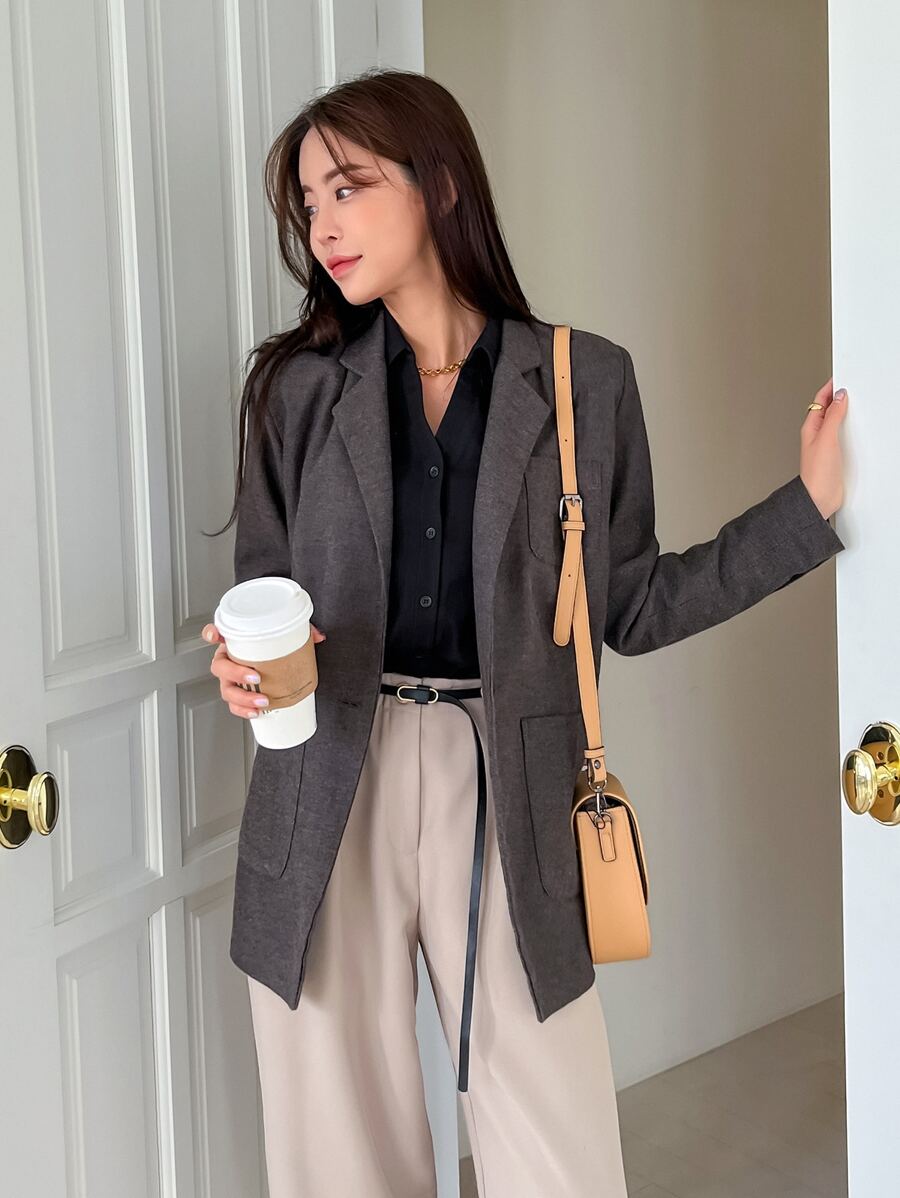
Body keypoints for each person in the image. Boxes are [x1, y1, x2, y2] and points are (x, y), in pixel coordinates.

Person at [200, 68, 848, 1198]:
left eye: (350, 187)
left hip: (507, 770)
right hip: (327, 770)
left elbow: (633, 603)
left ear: (441, 184)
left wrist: (807, 511)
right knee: (336, 1146)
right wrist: (239, 669)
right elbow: (262, 594)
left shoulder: (582, 380)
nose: (324, 224)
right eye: (309, 201)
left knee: (554, 1143)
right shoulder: (298, 390)